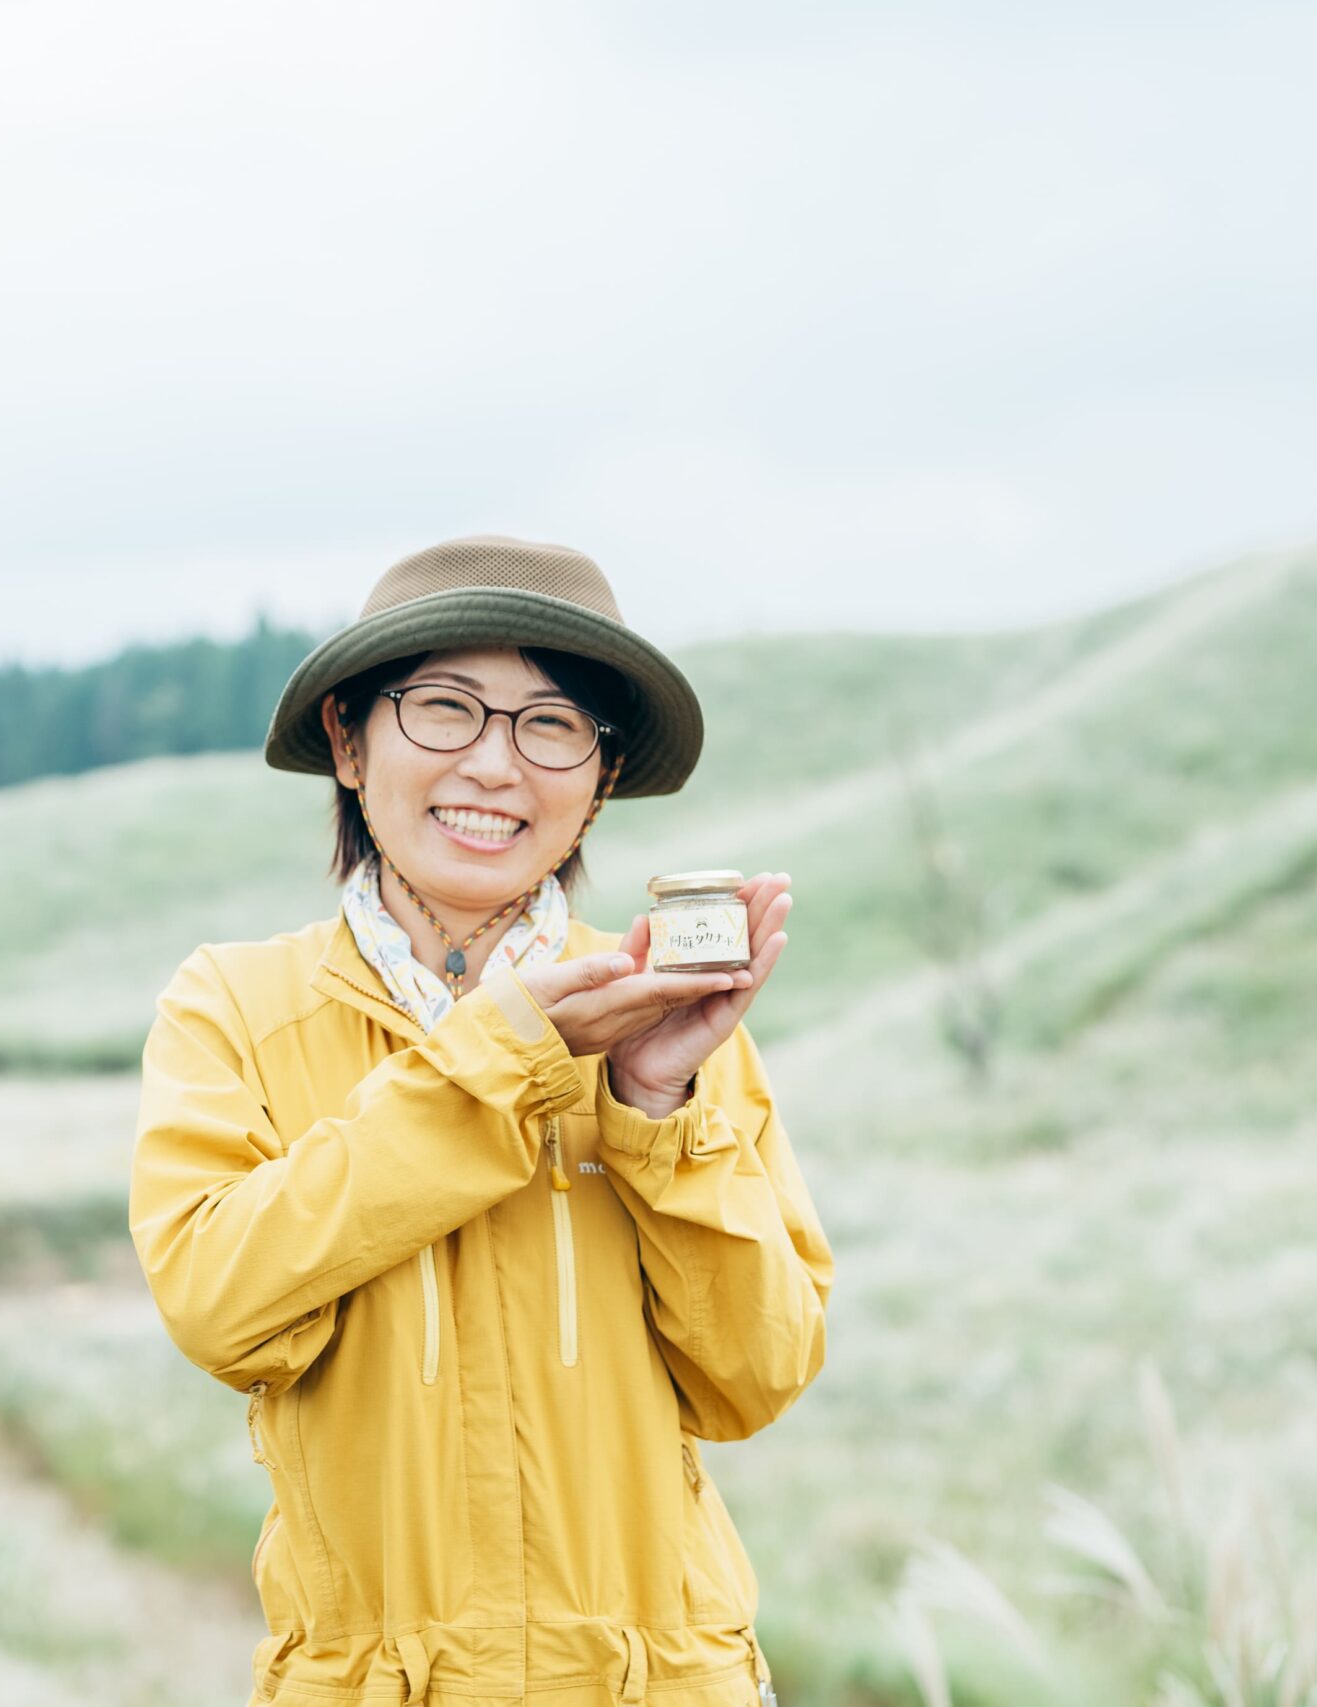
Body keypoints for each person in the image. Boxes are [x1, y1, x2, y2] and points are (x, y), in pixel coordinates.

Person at [128, 535, 834, 1706]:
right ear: (351, 744)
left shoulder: (671, 1020)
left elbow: (753, 1377)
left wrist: (652, 1109)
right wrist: (500, 1059)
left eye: (553, 725)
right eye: (445, 710)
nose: (497, 766)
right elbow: (225, 1311)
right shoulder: (233, 1008)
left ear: (599, 779)